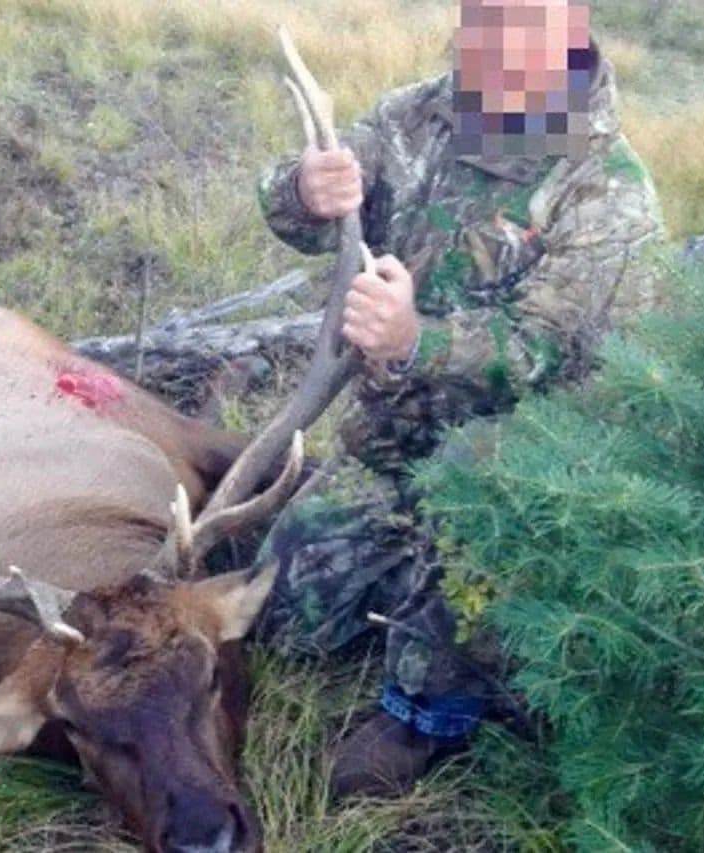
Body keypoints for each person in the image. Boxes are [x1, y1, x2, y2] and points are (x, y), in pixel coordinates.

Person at [255, 0, 664, 797]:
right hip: (395, 440)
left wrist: (417, 340)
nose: (484, 46)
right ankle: (414, 587)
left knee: (476, 522)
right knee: (279, 621)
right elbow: (309, 215)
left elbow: (549, 350)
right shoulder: (417, 116)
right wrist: (304, 189)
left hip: (520, 474)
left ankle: (424, 713)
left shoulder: (608, 191)